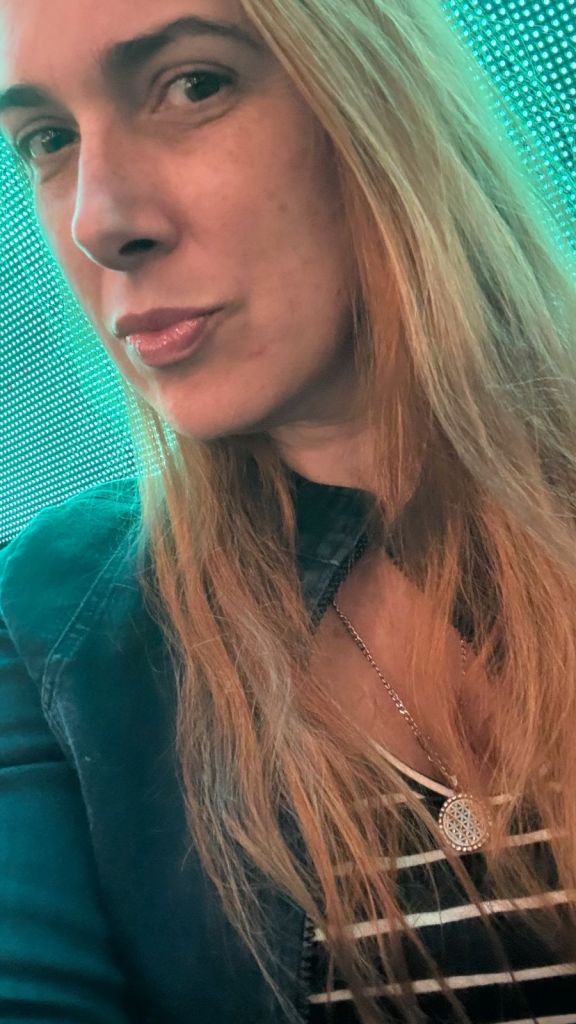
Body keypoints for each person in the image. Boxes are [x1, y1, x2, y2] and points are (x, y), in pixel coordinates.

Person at [0, 0, 575, 1021]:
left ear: (380, 99)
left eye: (194, 84)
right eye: (47, 140)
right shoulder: (52, 626)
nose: (99, 221)